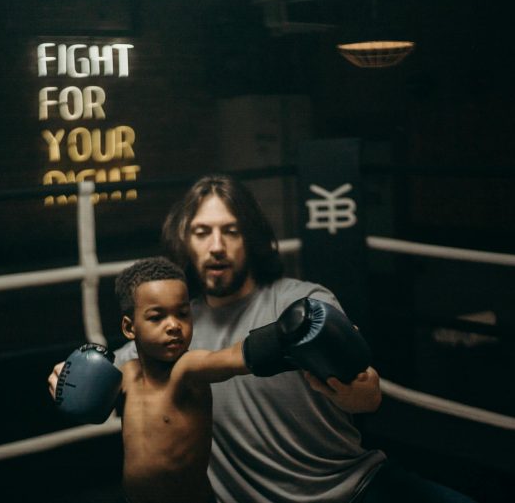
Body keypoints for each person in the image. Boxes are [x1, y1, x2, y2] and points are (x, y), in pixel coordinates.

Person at [49, 174, 476, 503]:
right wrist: (64, 378)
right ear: (184, 240)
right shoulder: (170, 335)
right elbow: (103, 377)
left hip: (353, 488)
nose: (216, 246)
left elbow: (369, 398)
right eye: (202, 233)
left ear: (250, 238)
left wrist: (351, 387)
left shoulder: (303, 302)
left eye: (230, 231)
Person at [102, 256, 250, 503]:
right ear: (130, 328)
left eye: (182, 313)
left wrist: (284, 338)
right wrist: (65, 376)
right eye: (157, 317)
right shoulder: (127, 374)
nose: (173, 325)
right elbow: (87, 398)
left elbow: (232, 357)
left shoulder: (188, 369)